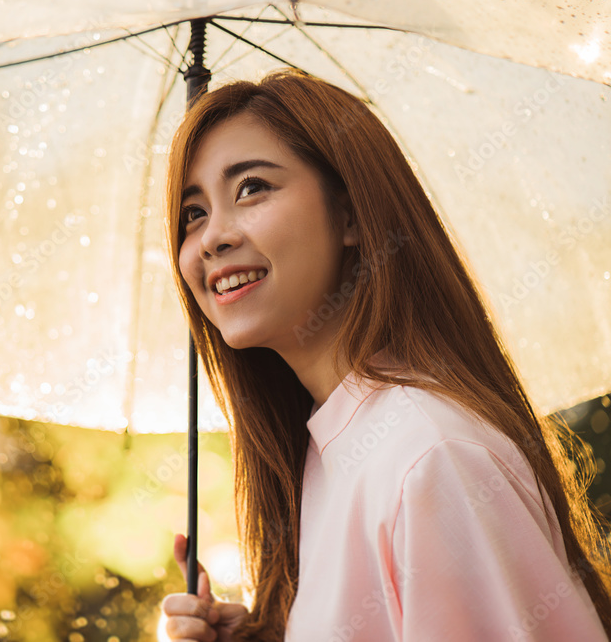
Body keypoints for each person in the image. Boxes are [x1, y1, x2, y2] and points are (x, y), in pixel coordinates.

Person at [159, 70, 611, 641]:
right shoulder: (331, 451)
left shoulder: (430, 459)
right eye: (192, 213)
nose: (211, 238)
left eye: (251, 188)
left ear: (350, 215)